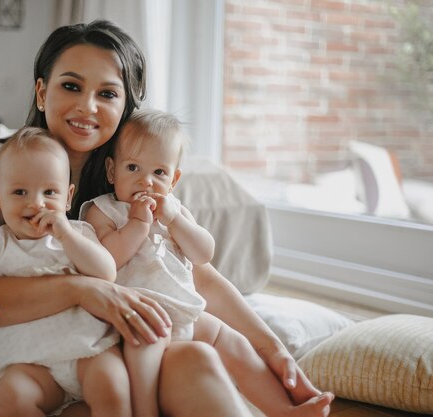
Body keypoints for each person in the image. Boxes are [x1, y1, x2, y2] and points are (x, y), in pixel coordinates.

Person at [0, 19, 323, 417]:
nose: (88, 107)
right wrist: (82, 289)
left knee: (196, 357)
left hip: (106, 356)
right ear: (42, 92)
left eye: (108, 93)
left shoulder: (127, 176)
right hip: (20, 369)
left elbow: (188, 272)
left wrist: (271, 347)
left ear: (125, 106)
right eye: (71, 86)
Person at [82, 109, 334, 417]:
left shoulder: (174, 212)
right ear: (112, 171)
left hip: (186, 313)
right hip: (140, 317)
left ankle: (282, 409)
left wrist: (175, 220)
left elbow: (204, 253)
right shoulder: (103, 211)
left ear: (174, 179)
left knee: (236, 344)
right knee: (143, 356)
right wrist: (136, 224)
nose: (145, 181)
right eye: (133, 167)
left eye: (159, 173)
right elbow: (108, 261)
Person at [0, 128, 133, 417]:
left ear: (68, 197)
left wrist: (66, 234)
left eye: (50, 192)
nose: (37, 203)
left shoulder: (79, 234)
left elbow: (106, 272)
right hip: (29, 363)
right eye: (20, 192)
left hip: (88, 352)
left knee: (114, 384)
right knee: (10, 395)